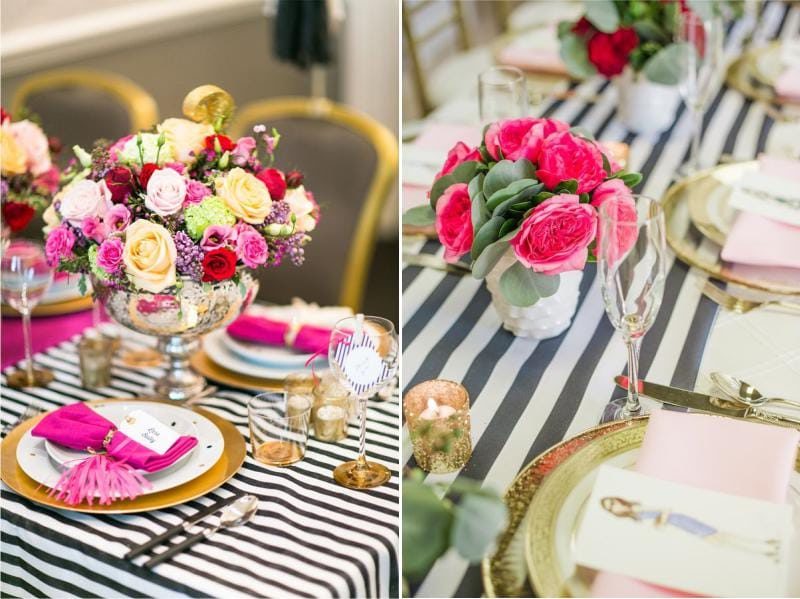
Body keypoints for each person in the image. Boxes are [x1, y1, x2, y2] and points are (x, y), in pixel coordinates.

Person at [601, 496, 780, 561]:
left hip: (681, 522)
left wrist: (661, 518)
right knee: (722, 542)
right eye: (611, 507)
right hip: (678, 530)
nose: (614, 506)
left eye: (613, 503)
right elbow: (658, 527)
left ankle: (764, 547)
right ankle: (763, 549)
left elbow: (664, 509)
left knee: (723, 538)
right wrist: (661, 519)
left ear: (618, 500)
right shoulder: (634, 517)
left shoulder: (637, 508)